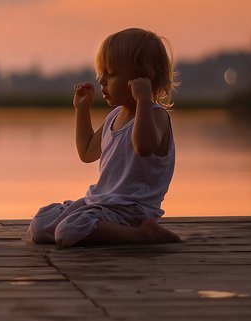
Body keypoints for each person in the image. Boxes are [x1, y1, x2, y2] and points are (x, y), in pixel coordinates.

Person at [29, 28, 182, 246]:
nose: (101, 80)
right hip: (100, 202)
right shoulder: (114, 117)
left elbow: (144, 146)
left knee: (69, 230)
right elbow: (87, 152)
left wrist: (144, 100)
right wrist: (82, 110)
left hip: (130, 210)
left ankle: (143, 235)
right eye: (102, 73)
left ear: (142, 78)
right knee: (41, 223)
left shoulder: (155, 116)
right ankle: (92, 226)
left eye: (111, 73)